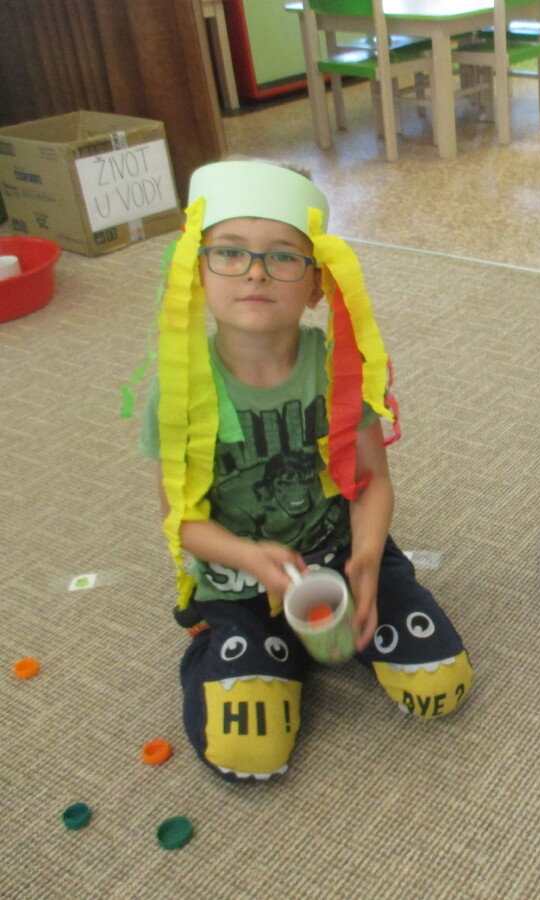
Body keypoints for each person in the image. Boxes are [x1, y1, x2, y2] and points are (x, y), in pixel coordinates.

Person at [136, 160, 473, 782]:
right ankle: (228, 645)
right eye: (229, 252)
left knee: (440, 687)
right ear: (196, 271)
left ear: (317, 283)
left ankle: (298, 645)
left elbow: (371, 481)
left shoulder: (342, 367)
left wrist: (367, 557)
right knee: (248, 753)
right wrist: (248, 556)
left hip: (338, 553)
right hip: (240, 580)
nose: (256, 272)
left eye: (282, 256)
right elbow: (181, 523)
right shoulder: (177, 391)